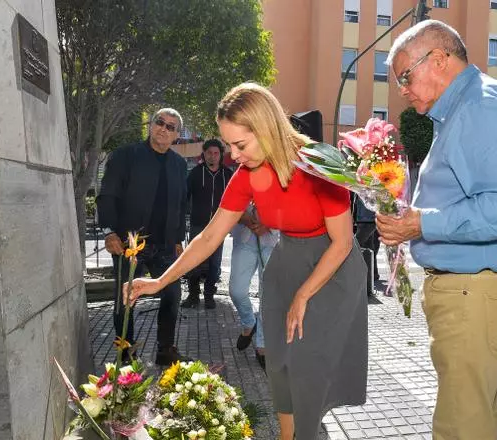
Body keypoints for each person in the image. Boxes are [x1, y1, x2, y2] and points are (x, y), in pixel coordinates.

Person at [124, 83, 368, 440]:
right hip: (286, 264)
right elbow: (209, 237)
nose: (233, 155)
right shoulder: (246, 175)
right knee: (281, 364)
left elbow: (344, 242)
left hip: (332, 267)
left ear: (266, 128)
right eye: (229, 146)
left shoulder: (319, 162)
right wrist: (159, 281)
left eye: (240, 145)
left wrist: (303, 296)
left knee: (309, 369)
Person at [375, 21, 497, 439]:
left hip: (477, 291)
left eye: (405, 76)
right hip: (477, 289)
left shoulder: (479, 107)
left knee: (460, 427)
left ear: (438, 60)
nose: (401, 88)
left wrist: (422, 222)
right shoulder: (468, 105)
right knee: (473, 416)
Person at [96, 108, 192, 367]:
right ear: (151, 125)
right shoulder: (125, 156)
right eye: (160, 122)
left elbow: (181, 205)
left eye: (171, 127)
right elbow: (108, 195)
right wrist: (109, 232)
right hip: (129, 244)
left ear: (176, 136)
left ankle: (165, 350)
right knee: (124, 300)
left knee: (172, 295)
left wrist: (177, 240)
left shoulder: (179, 164)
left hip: (164, 246)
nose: (163, 128)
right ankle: (126, 354)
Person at [181, 138, 234, 309]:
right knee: (193, 261)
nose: (212, 156)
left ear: (221, 155)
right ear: (203, 154)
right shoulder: (195, 173)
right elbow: (184, 197)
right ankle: (193, 295)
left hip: (219, 226)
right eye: (209, 153)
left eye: (216, 153)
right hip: (198, 225)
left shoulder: (228, 174)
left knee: (214, 263)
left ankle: (210, 295)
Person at [229, 203, 278, 370]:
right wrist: (245, 218)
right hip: (245, 235)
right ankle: (249, 322)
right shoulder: (241, 175)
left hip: (274, 238)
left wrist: (271, 222)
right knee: (237, 290)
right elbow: (231, 200)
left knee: (268, 295)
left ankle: (262, 344)